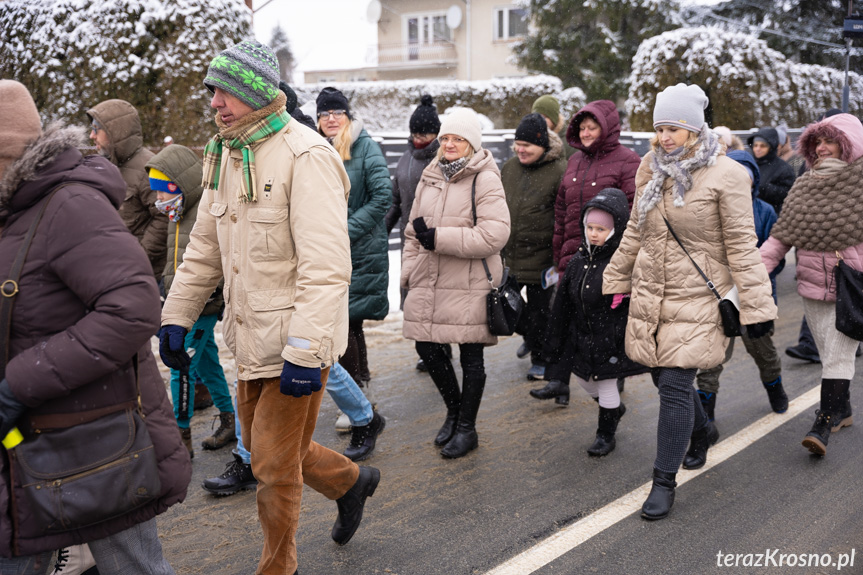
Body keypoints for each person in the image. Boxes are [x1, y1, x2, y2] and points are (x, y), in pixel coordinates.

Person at [159, 41, 379, 575]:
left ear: (256, 93)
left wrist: (306, 350)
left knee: (274, 466)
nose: (213, 102)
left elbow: (327, 267)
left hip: (296, 342)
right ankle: (352, 482)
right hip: (251, 337)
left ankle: (279, 568)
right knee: (273, 452)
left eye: (224, 91)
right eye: (211, 91)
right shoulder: (228, 154)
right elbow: (204, 249)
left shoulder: (306, 155)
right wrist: (175, 316)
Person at [0, 79, 190, 574]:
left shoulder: (69, 206)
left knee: (134, 566)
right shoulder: (12, 212)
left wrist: (20, 382)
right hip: (30, 441)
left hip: (98, 444)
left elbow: (132, 306)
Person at [603, 83, 776, 521]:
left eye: (674, 128)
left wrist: (756, 308)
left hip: (700, 296)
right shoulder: (650, 169)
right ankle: (702, 430)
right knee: (664, 380)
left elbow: (742, 246)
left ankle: (663, 482)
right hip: (652, 293)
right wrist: (613, 280)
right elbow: (637, 231)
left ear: (694, 129)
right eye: (660, 127)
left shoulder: (728, 175)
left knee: (677, 386)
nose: (665, 136)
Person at [402, 108, 511, 459]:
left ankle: (467, 428)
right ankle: (454, 410)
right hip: (429, 278)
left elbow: (495, 234)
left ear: (471, 144)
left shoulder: (485, 177)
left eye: (458, 139)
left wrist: (439, 238)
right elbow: (412, 231)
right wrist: (407, 271)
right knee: (427, 347)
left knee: (470, 355)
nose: (449, 144)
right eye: (446, 137)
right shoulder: (430, 174)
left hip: (470, 281)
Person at [760, 112, 863, 456]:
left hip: (851, 286)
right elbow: (782, 235)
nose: (821, 148)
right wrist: (755, 270)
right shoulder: (804, 183)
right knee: (826, 354)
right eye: (817, 141)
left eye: (830, 140)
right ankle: (844, 410)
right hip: (811, 288)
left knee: (837, 357)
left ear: (848, 143)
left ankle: (823, 422)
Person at [534, 188, 649, 455]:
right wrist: (555, 335)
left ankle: (605, 435)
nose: (594, 233)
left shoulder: (622, 261)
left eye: (601, 229)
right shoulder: (578, 260)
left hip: (611, 337)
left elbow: (640, 294)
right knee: (584, 378)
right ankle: (613, 409)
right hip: (583, 335)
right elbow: (562, 301)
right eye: (590, 227)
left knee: (606, 383)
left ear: (615, 230)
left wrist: (626, 300)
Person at [147, 145, 235, 458]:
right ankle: (229, 421)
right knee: (208, 363)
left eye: (162, 193)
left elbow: (219, 257)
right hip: (182, 304)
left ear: (180, 186)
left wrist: (210, 294)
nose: (159, 201)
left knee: (180, 367)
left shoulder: (204, 210)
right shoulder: (178, 211)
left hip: (203, 304)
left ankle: (180, 436)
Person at [694, 150, 788, 422]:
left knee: (763, 351)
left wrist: (754, 275)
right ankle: (706, 415)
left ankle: (775, 389)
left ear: (753, 179)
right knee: (711, 358)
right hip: (718, 297)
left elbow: (776, 255)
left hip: (751, 295)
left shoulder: (764, 211)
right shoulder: (708, 209)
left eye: (743, 176)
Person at [316, 87, 391, 422]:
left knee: (345, 322)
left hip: (357, 249)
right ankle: (361, 393)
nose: (331, 119)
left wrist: (344, 229)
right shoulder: (319, 149)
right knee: (348, 322)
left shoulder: (364, 147)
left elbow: (382, 196)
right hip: (332, 249)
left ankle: (358, 403)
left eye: (337, 113)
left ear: (348, 116)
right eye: (325, 114)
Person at [384, 95, 448, 373]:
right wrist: (382, 229)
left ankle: (442, 348)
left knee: (439, 299)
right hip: (411, 242)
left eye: (425, 133)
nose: (419, 138)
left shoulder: (445, 158)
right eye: (415, 132)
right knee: (414, 298)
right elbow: (395, 200)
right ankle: (427, 349)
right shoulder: (405, 159)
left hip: (439, 240)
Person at [501, 113, 567, 380]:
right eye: (518, 143)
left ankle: (541, 357)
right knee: (508, 308)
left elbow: (564, 215)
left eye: (527, 145)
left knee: (541, 313)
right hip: (511, 257)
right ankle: (531, 337)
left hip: (543, 260)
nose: (520, 149)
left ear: (543, 145)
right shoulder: (509, 168)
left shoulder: (560, 171)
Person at [86, 99, 168, 281]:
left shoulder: (149, 168)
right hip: (117, 270)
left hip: (145, 276)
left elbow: (164, 218)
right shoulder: (110, 166)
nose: (92, 136)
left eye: (96, 129)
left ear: (114, 132)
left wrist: (138, 257)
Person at [746, 127, 796, 215]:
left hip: (771, 216)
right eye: (755, 145)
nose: (758, 149)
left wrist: (762, 188)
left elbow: (789, 194)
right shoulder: (749, 164)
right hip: (749, 214)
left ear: (771, 147)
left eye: (763, 146)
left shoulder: (784, 168)